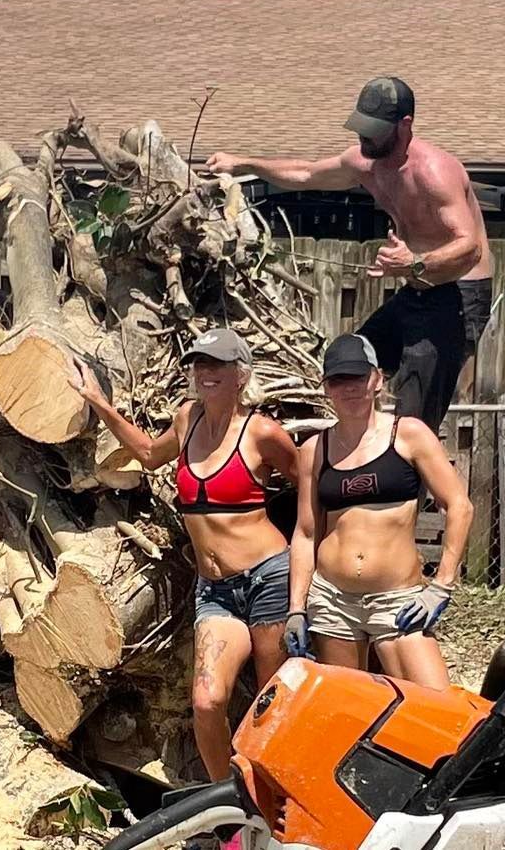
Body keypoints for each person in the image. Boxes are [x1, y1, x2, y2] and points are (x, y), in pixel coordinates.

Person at [73, 329, 298, 785]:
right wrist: (98, 401)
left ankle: (282, 795)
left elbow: (309, 485)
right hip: (214, 589)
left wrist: (320, 549)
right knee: (207, 701)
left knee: (273, 700)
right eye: (200, 364)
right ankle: (229, 805)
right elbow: (147, 454)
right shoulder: (187, 419)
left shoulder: (262, 433)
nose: (205, 373)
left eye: (216, 365)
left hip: (269, 577)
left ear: (240, 374)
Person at [207, 76, 493, 433]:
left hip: (459, 296)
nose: (363, 138)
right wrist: (243, 164)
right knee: (350, 362)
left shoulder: (434, 172)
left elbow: (470, 247)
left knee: (416, 418)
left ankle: (409, 485)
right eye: (361, 127)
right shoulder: (366, 163)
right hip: (418, 289)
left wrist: (415, 263)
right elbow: (306, 172)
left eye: (373, 131)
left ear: (404, 126)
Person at [284, 334, 473, 688]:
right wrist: (297, 607)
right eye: (339, 380)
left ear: (377, 379)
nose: (350, 388)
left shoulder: (408, 434)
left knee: (431, 703)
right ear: (326, 387)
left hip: (397, 600)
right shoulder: (315, 449)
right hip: (332, 600)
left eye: (358, 377)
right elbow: (306, 533)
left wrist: (441, 586)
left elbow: (459, 506)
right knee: (349, 708)